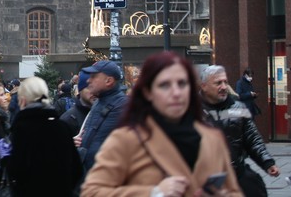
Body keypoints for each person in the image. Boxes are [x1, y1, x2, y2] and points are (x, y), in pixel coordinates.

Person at [81, 52, 242, 197]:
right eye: (164, 85)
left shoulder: (212, 139)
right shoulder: (126, 140)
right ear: (148, 93)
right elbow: (92, 192)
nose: (176, 92)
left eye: (182, 83)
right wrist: (154, 193)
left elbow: (234, 190)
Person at [201, 65, 279, 197]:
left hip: (236, 175)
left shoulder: (238, 108)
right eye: (218, 83)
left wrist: (267, 162)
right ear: (204, 86)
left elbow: (252, 138)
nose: (224, 87)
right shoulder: (189, 111)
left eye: (225, 82)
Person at [5, 77, 83, 196]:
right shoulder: (62, 126)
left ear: (23, 99)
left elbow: (16, 171)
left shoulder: (21, 130)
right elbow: (76, 169)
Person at [75, 59, 128, 171]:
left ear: (108, 81)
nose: (89, 80)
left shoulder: (122, 105)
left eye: (94, 76)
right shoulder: (99, 102)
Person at [60, 70, 93, 137]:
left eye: (97, 87)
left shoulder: (104, 113)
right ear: (80, 90)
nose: (95, 91)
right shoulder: (68, 119)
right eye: (89, 88)